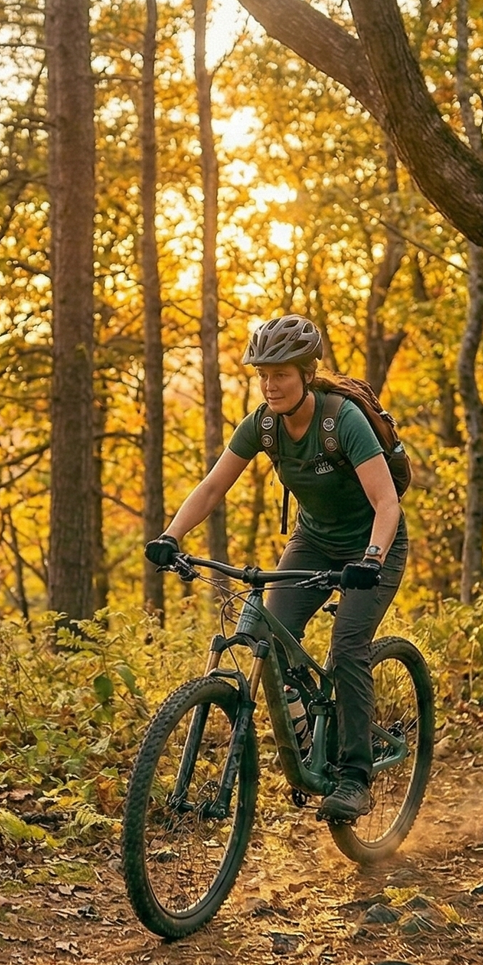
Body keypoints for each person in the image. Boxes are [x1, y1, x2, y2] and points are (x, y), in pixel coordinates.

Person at [144, 314, 406, 822]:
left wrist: (371, 560)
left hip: (374, 545)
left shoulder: (341, 421)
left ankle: (354, 776)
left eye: (281, 373)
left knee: (348, 643)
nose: (270, 384)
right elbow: (213, 487)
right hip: (313, 542)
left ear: (307, 373)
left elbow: (387, 503)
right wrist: (171, 535)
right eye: (263, 374)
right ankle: (312, 735)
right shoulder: (263, 423)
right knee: (272, 629)